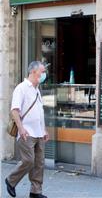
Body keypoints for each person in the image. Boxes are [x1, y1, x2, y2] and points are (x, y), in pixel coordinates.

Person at [5, 61, 49, 198]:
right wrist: (21, 128)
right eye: (42, 72)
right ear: (33, 72)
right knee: (29, 161)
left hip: (39, 133)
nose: (44, 75)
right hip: (27, 133)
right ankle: (11, 180)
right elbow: (14, 110)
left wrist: (45, 130)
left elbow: (39, 113)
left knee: (39, 163)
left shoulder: (37, 90)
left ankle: (36, 192)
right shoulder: (21, 88)